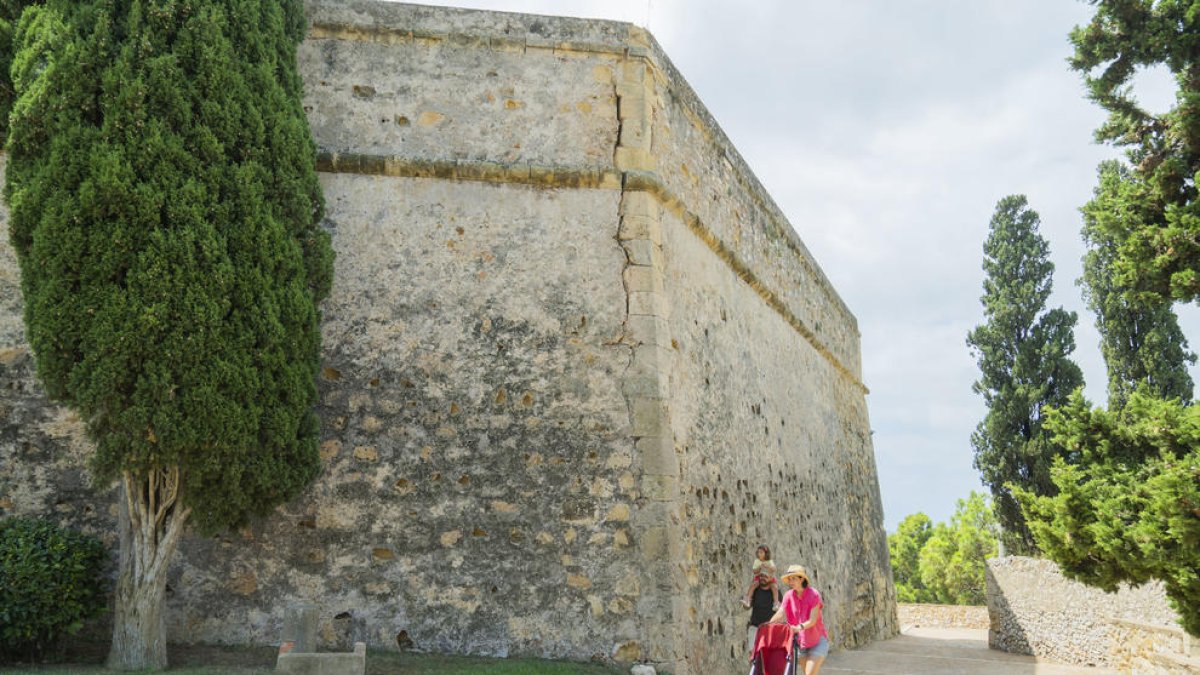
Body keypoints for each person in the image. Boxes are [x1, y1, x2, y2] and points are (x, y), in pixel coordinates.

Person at [767, 564, 829, 675]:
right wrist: (769, 625)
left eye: (794, 578)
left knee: (809, 673)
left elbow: (813, 620)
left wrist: (798, 627)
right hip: (800, 643)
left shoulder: (814, 594)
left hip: (817, 641)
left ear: (802, 579)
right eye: (789, 579)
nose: (790, 582)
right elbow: (780, 613)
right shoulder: (788, 595)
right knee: (807, 673)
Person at [742, 545, 781, 609]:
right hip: (759, 577)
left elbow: (774, 569)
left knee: (774, 587)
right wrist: (759, 568)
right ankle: (748, 599)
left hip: (769, 578)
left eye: (761, 552)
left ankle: (776, 602)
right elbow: (754, 571)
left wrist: (768, 567)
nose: (759, 554)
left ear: (766, 554)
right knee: (753, 585)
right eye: (758, 552)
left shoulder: (770, 561)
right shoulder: (757, 561)